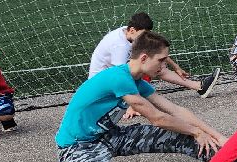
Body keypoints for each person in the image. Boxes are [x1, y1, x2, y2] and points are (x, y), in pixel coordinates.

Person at [54, 31, 226, 162]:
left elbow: (175, 110)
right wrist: (196, 131)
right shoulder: (118, 78)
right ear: (144, 58)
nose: (164, 65)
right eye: (161, 60)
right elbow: (158, 118)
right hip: (77, 145)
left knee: (180, 135)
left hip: (109, 136)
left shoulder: (137, 82)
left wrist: (217, 136)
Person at [89, 11, 220, 97]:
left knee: (157, 65)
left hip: (114, 78)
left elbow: (155, 52)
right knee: (146, 69)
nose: (145, 38)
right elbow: (122, 77)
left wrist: (176, 67)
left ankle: (199, 87)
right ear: (133, 30)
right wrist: (131, 106)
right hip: (101, 87)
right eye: (143, 35)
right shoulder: (119, 46)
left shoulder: (129, 33)